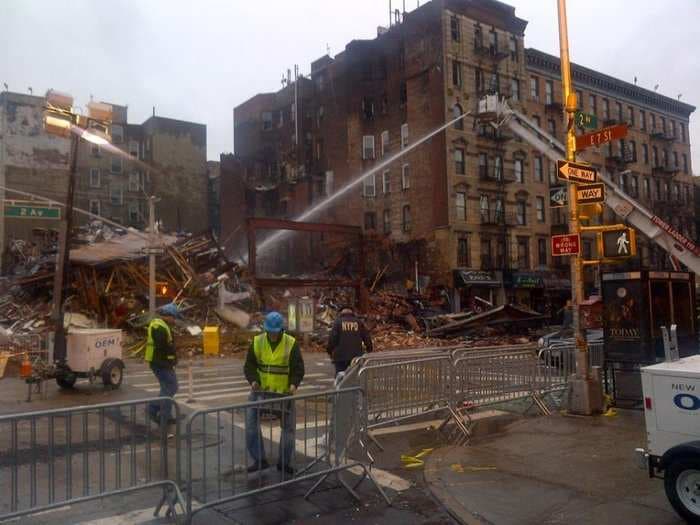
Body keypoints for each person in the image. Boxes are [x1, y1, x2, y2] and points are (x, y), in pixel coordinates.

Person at [244, 311, 304, 477]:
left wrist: (293, 385)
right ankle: (259, 460)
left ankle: (284, 463)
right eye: (269, 331)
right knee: (250, 426)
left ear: (281, 330)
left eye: (275, 331)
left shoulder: (290, 343)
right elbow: (249, 365)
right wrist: (253, 380)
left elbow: (298, 368)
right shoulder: (258, 341)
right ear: (265, 329)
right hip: (260, 392)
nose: (272, 334)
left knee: (288, 430)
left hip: (284, 393)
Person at [145, 315, 178, 424]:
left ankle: (165, 415)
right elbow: (163, 348)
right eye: (174, 317)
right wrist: (171, 360)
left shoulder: (162, 325)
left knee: (168, 388)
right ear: (167, 315)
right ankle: (154, 409)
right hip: (160, 363)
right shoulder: (159, 327)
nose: (174, 319)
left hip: (161, 362)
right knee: (171, 387)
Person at [327, 306, 373, 375]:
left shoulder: (337, 322)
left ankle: (340, 385)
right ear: (352, 312)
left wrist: (329, 350)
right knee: (354, 375)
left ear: (341, 312)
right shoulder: (358, 322)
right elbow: (366, 336)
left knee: (340, 375)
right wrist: (369, 348)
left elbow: (333, 338)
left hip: (340, 355)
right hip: (356, 355)